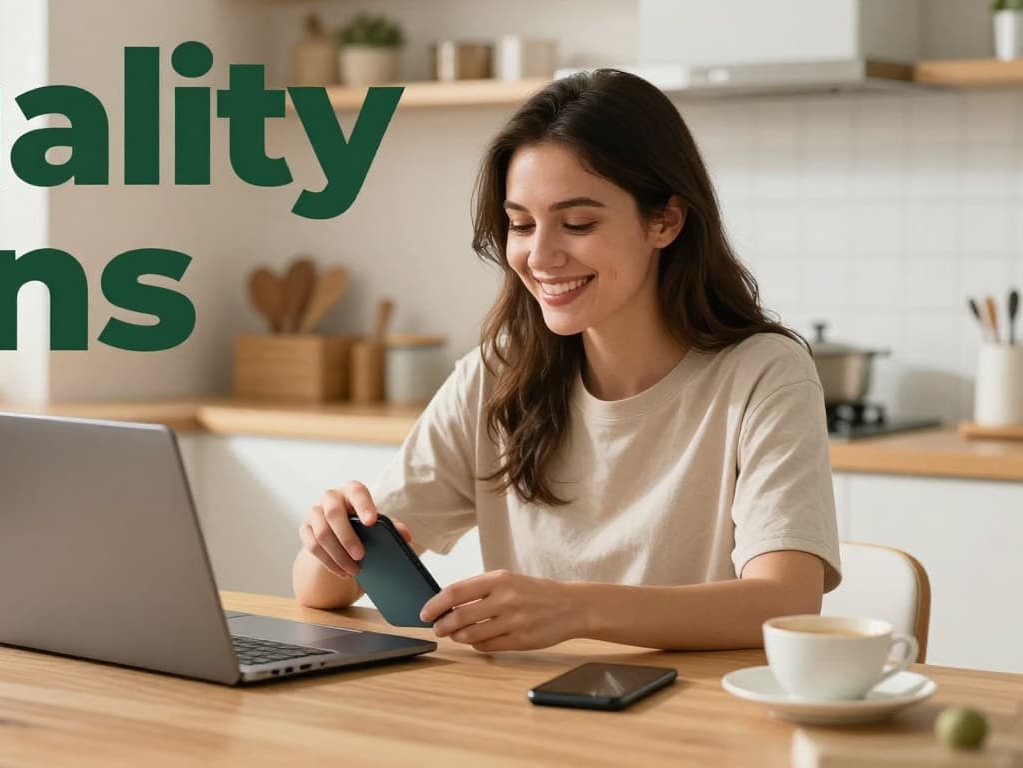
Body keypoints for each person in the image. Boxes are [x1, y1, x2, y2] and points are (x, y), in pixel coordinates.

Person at [291, 69, 841, 653]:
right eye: (522, 224)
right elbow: (315, 590)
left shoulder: (763, 373)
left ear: (665, 221)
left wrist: (576, 608)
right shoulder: (496, 376)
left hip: (691, 723)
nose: (541, 256)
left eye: (578, 223)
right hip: (533, 718)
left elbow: (786, 602)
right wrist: (336, 543)